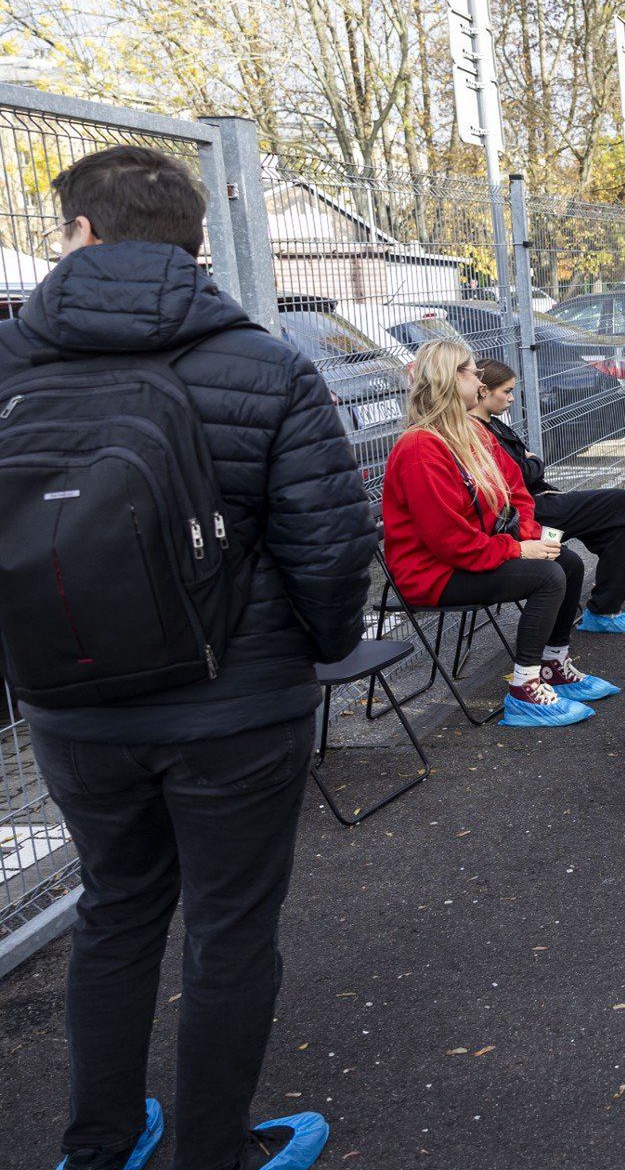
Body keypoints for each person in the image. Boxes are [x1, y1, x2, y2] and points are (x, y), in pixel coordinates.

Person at [0, 146, 376, 1170]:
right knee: (230, 928)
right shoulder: (263, 364)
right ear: (198, 243)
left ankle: (101, 1143)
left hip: (72, 706)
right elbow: (331, 544)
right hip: (235, 707)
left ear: (77, 233)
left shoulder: (9, 363)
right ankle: (217, 1151)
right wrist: (323, 651)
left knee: (115, 910)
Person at [381, 340, 620, 727]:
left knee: (568, 561)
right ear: (450, 377)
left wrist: (531, 538)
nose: (479, 379)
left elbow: (517, 492)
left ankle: (553, 664)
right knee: (546, 576)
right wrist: (515, 550)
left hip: (469, 556)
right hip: (432, 573)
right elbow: (447, 540)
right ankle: (524, 688)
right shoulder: (421, 447)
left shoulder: (468, 431)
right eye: (471, 371)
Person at [469, 358, 625, 632]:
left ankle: (604, 613)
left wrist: (532, 465)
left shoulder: (494, 423)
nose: (510, 398)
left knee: (620, 528)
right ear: (484, 391)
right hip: (524, 517)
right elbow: (517, 475)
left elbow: (525, 470)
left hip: (539, 505)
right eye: (506, 391)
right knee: (620, 500)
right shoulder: (475, 430)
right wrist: (534, 463)